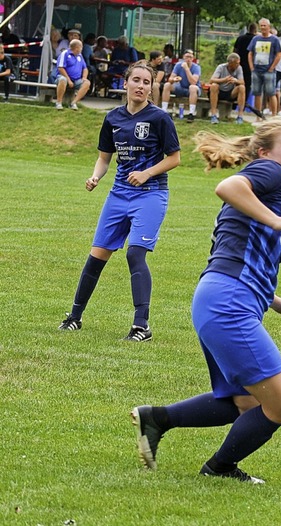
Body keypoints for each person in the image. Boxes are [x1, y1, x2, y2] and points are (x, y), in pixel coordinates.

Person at [131, 117, 281, 484]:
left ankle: (157, 419)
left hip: (219, 298)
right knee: (280, 404)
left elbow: (236, 252)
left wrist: (275, 301)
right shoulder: (268, 174)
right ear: (264, 153)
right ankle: (220, 468)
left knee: (244, 402)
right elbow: (227, 186)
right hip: (228, 304)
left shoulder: (268, 192)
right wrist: (277, 221)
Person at [58, 61, 181, 341]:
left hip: (150, 194)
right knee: (96, 256)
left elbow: (175, 158)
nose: (141, 86)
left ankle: (141, 326)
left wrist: (147, 173)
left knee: (134, 254)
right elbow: (105, 157)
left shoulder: (160, 118)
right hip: (118, 195)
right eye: (136, 80)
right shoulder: (113, 118)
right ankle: (74, 317)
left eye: (146, 82)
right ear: (125, 84)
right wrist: (95, 177)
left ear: (151, 88)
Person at [248, 18, 281, 120]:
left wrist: (272, 67)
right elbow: (250, 53)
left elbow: (278, 54)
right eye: (261, 26)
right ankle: (258, 116)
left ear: (269, 27)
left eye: (264, 26)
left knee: (271, 93)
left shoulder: (274, 40)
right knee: (257, 93)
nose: (263, 27)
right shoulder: (255, 39)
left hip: (269, 70)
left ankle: (274, 115)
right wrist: (251, 67)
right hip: (256, 69)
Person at [161, 48, 201, 123]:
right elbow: (170, 79)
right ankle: (164, 110)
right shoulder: (178, 65)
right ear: (183, 57)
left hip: (193, 90)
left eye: (190, 57)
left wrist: (186, 69)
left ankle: (191, 113)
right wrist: (174, 80)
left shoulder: (196, 67)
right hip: (181, 87)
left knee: (192, 87)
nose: (188, 59)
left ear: (193, 58)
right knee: (167, 85)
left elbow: (193, 82)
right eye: (187, 57)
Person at [51, 39, 91, 110]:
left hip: (76, 80)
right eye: (81, 47)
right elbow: (60, 68)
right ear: (77, 48)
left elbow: (85, 68)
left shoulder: (80, 56)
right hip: (63, 77)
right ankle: (58, 103)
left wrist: (84, 77)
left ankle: (73, 103)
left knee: (87, 83)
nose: (82, 48)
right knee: (63, 79)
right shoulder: (65, 54)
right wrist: (69, 80)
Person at [208, 52, 246, 125]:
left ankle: (240, 116)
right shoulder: (221, 67)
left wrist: (235, 81)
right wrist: (224, 80)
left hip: (230, 92)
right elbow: (211, 80)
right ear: (230, 63)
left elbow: (242, 82)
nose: (238, 65)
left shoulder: (239, 68)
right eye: (236, 63)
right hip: (219, 91)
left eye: (238, 63)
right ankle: (213, 115)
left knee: (242, 87)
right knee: (214, 86)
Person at [233, 23, 257, 100]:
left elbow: (235, 51)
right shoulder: (256, 39)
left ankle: (235, 99)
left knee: (237, 82)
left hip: (239, 63)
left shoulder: (240, 38)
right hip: (250, 65)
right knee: (247, 84)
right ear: (256, 30)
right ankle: (244, 101)